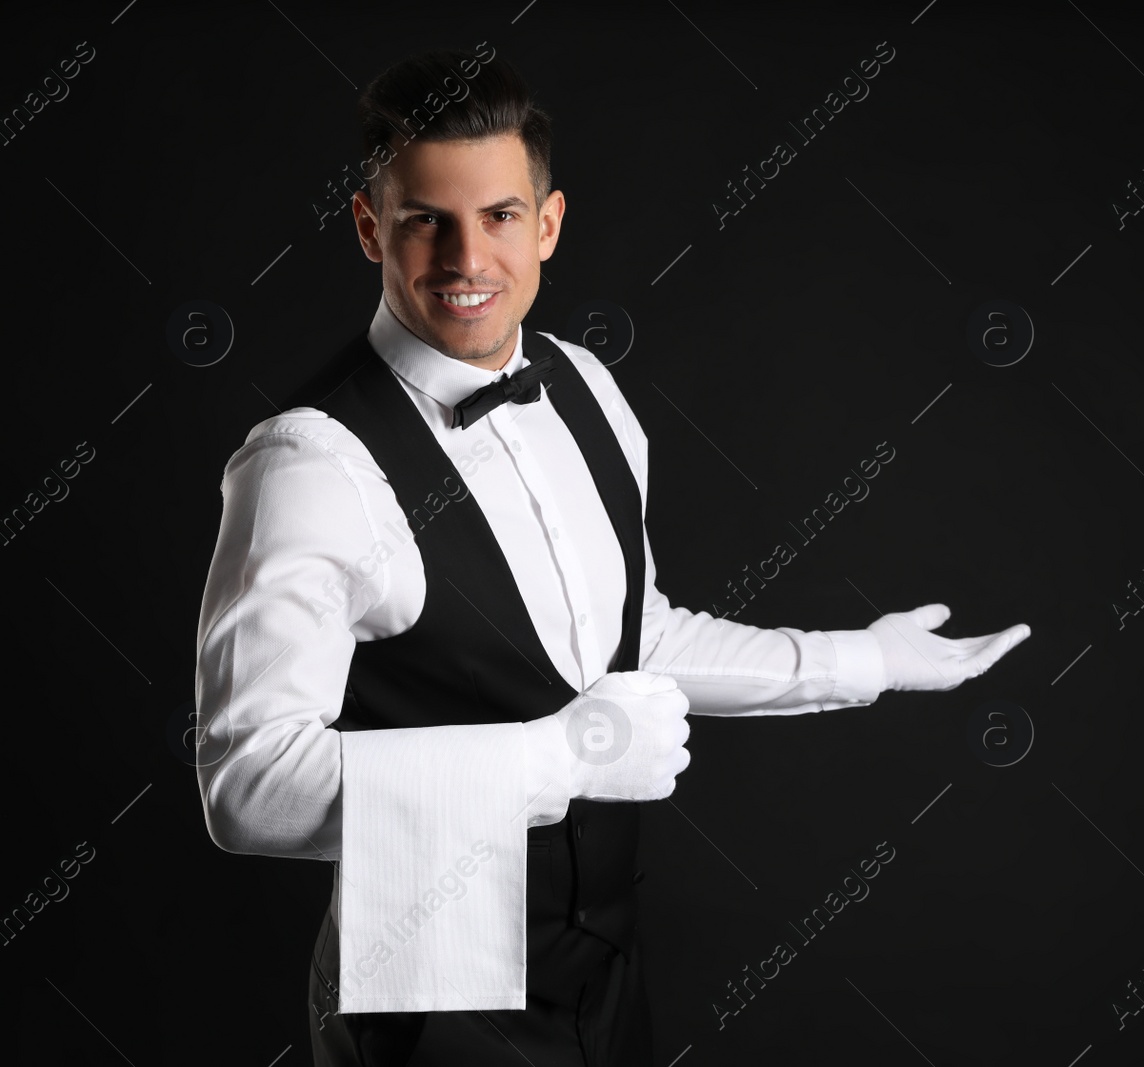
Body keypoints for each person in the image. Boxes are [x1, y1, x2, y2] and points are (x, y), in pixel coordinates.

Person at [193, 47, 1029, 1067]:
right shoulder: (309, 461)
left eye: (499, 215)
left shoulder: (583, 383)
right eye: (426, 220)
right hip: (427, 989)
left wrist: (861, 662)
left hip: (603, 962)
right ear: (371, 227)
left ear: (546, 222)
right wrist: (567, 754)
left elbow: (630, 645)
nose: (467, 258)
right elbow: (247, 785)